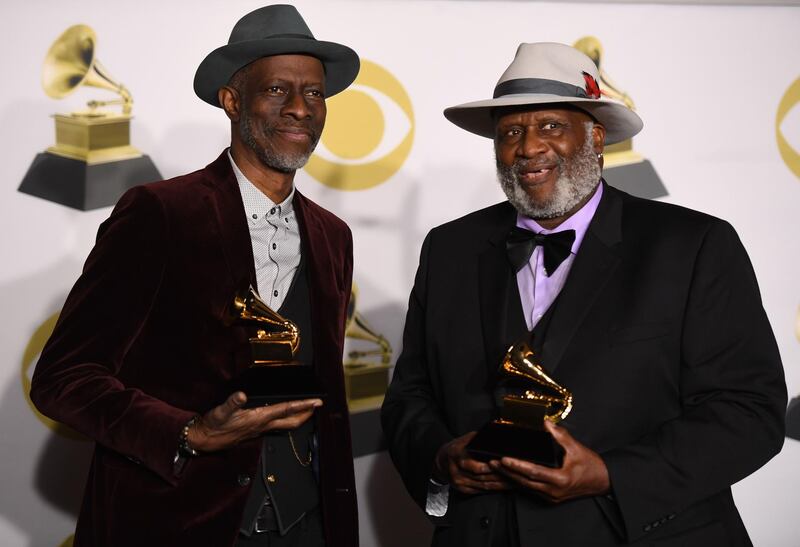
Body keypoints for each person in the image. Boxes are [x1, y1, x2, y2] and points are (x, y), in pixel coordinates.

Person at [381, 42, 787, 546]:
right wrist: (442, 458)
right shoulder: (449, 249)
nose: (529, 147)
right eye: (511, 131)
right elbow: (410, 397)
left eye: (550, 126)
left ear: (596, 137)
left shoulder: (693, 245)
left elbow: (751, 410)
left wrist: (611, 474)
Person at [30, 5, 360, 546]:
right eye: (277, 90)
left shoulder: (333, 235)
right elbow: (64, 378)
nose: (301, 108)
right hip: (178, 524)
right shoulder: (160, 212)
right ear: (232, 101)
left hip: (307, 528)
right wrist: (189, 432)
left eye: (315, 93)